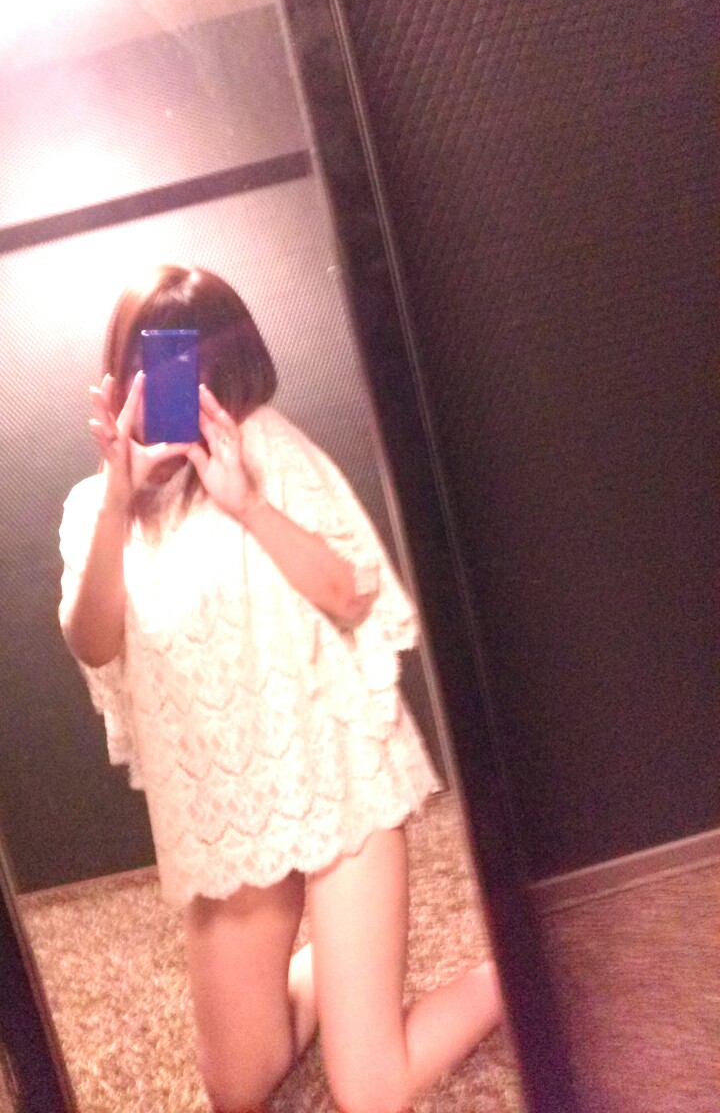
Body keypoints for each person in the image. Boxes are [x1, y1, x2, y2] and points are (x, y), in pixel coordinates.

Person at [58, 266, 503, 1113]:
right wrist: (119, 504)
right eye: (151, 362)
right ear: (119, 373)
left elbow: (352, 594)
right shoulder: (92, 507)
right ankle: (339, 968)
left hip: (337, 780)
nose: (173, 384)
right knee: (239, 1087)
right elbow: (93, 641)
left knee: (370, 1092)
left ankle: (505, 973)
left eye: (191, 361)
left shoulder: (266, 448)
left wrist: (250, 506)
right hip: (227, 811)